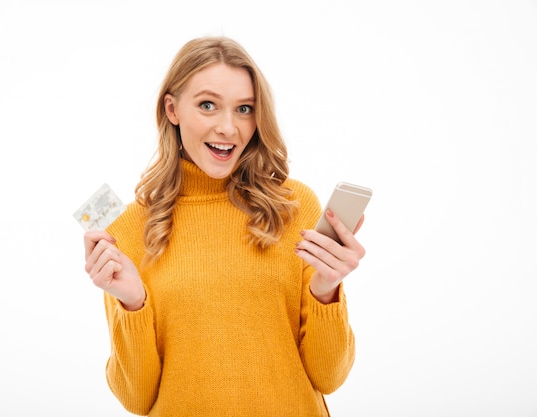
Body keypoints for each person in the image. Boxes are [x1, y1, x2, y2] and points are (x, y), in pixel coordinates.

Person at [83, 36, 366, 417]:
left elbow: (329, 377)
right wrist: (132, 303)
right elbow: (138, 399)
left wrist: (326, 290)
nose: (228, 128)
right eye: (207, 105)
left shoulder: (294, 207)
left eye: (244, 108)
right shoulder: (132, 227)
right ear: (172, 109)